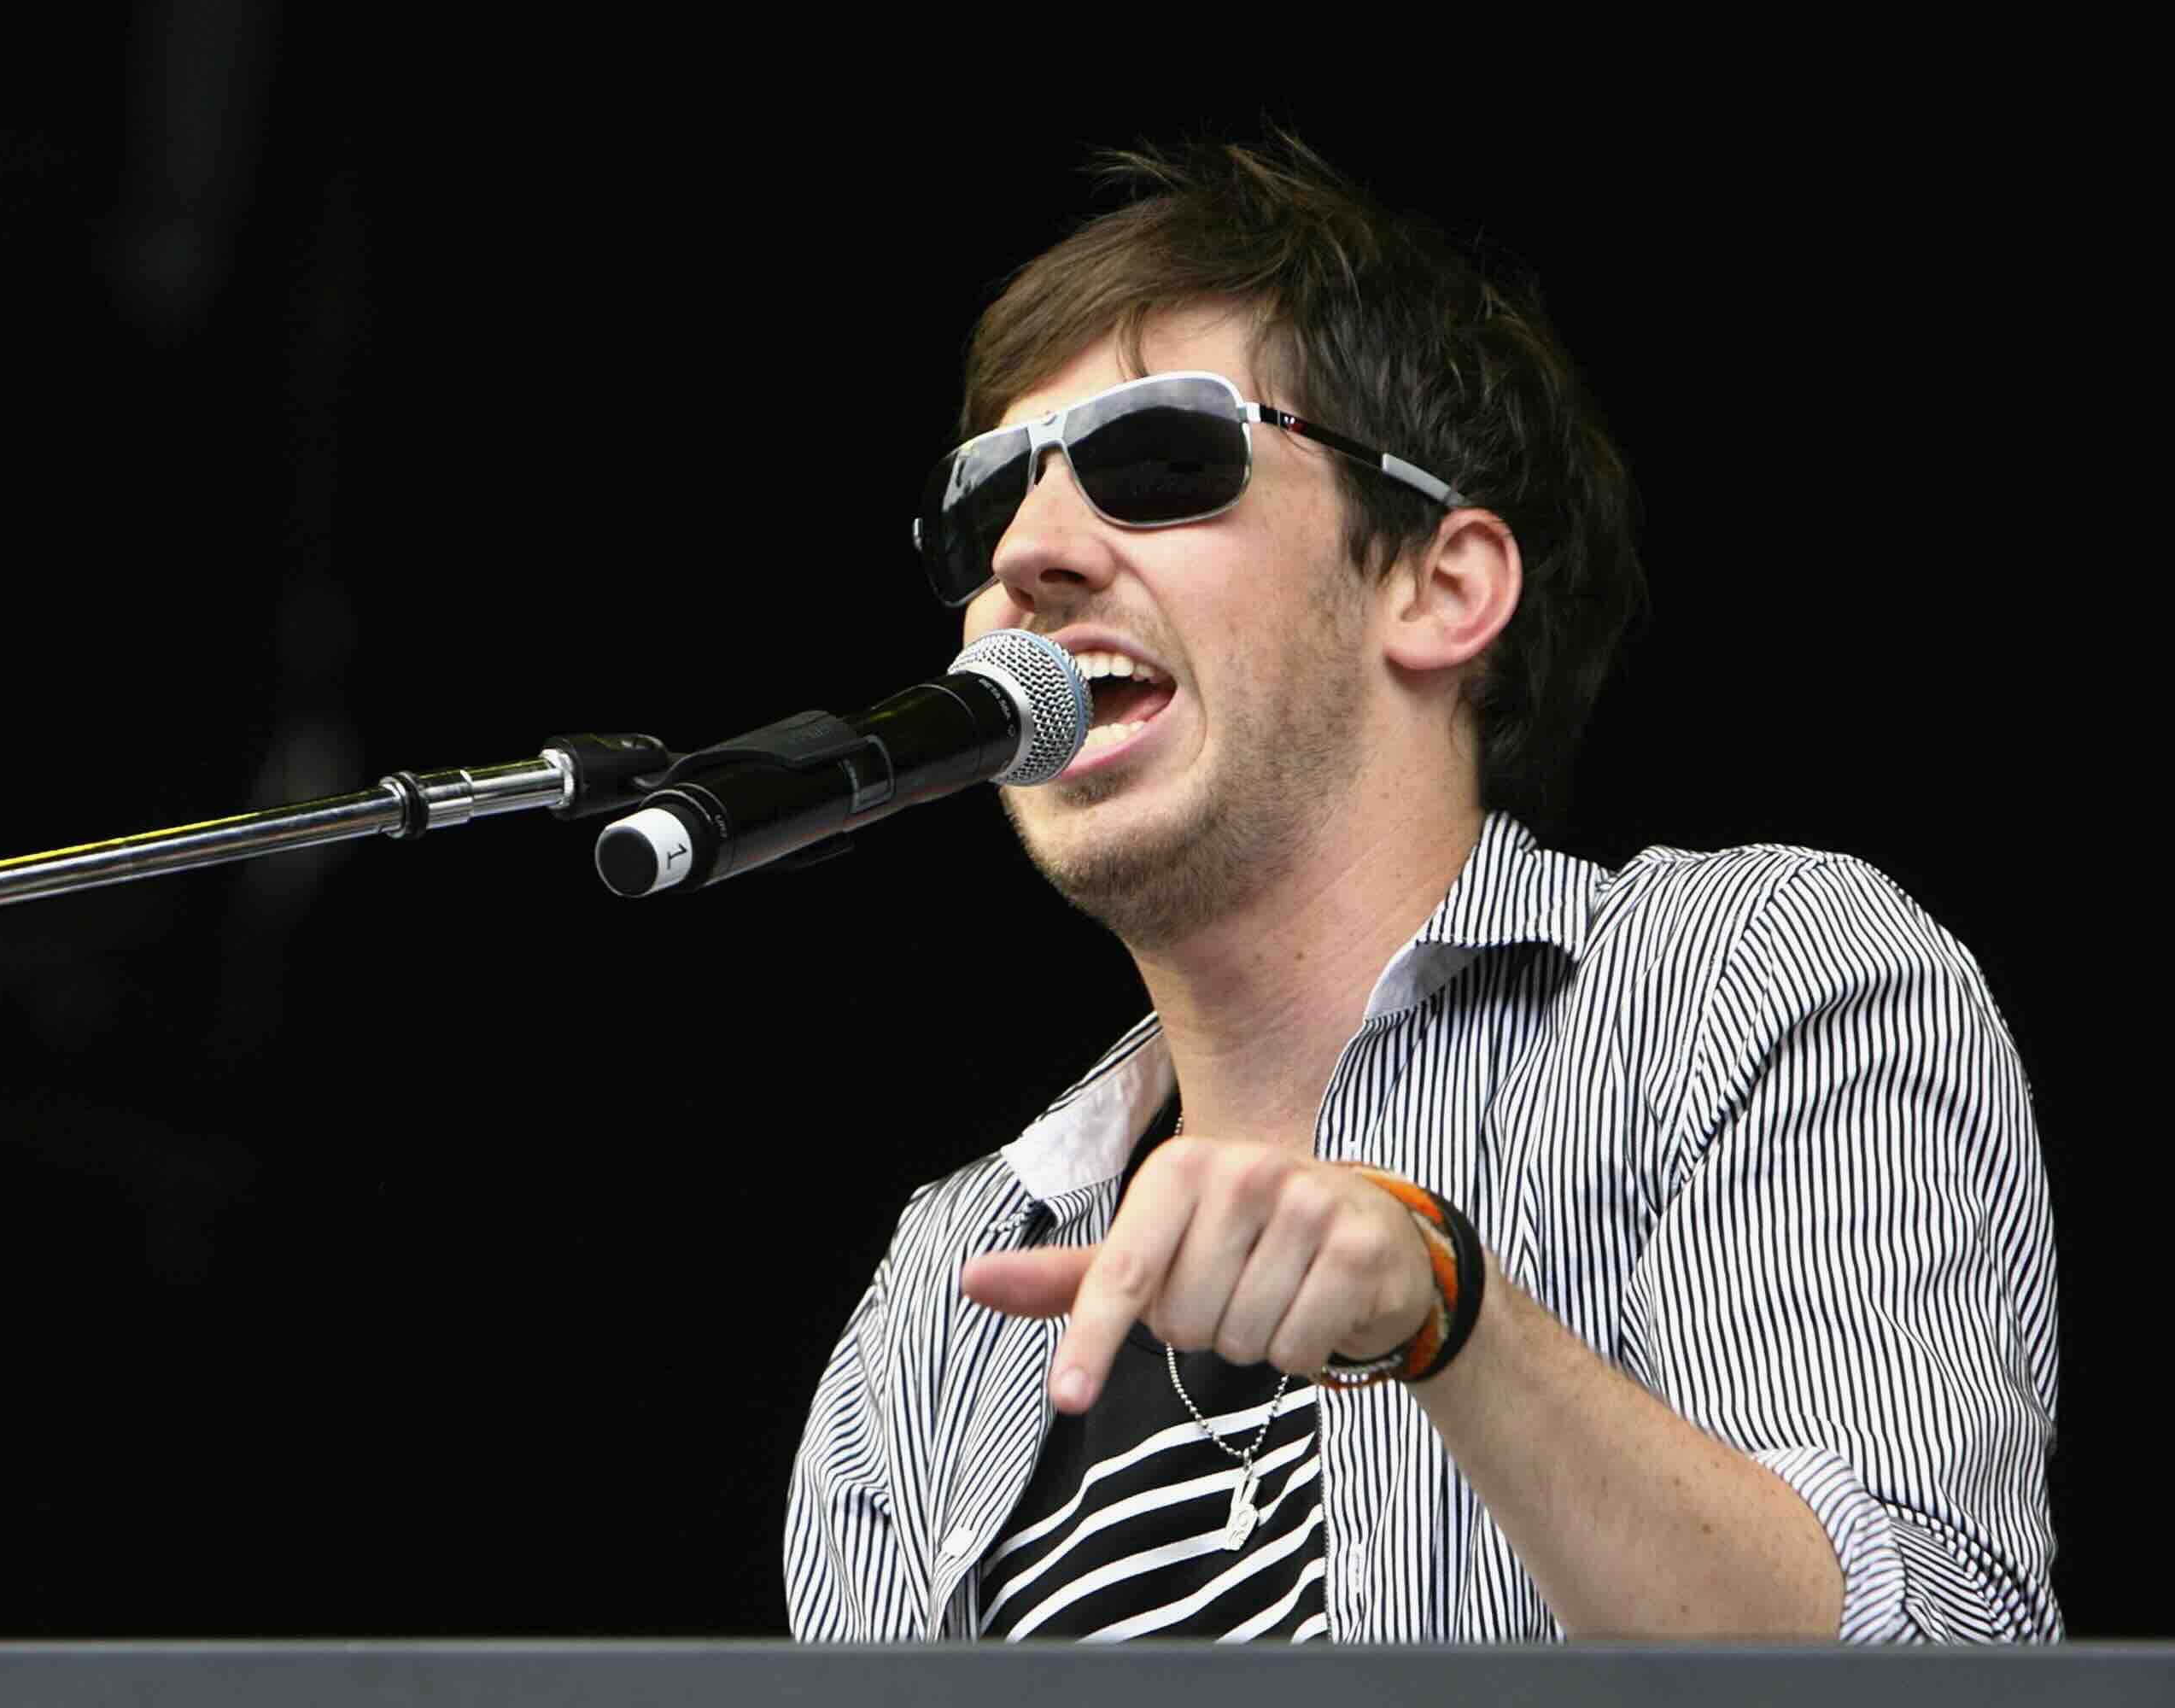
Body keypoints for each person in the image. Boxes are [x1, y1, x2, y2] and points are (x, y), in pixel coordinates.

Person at [783, 130, 2058, 1644]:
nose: (1033, 556)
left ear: (1442, 587)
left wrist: (1454, 1319)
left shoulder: (1747, 977)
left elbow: (1934, 1669)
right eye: (987, 508)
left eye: (1158, 463)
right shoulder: (941, 1291)